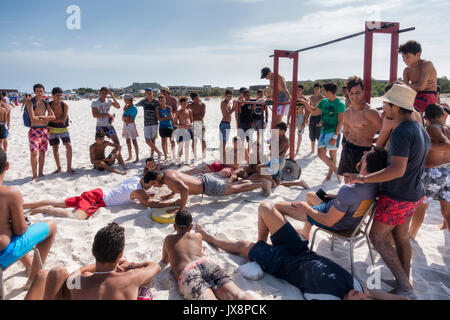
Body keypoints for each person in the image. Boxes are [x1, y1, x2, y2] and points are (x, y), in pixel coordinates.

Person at [195, 202, 408, 300]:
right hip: (298, 248)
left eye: (360, 301)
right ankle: (259, 249)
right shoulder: (359, 289)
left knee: (242, 246)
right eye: (365, 298)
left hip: (280, 262)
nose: (361, 295)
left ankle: (211, 238)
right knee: (266, 207)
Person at [344, 83, 430, 299]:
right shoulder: (419, 127)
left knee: (377, 237)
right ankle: (404, 278)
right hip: (414, 192)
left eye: (386, 104)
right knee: (401, 237)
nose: (383, 108)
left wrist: (363, 178)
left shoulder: (402, 131)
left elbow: (397, 170)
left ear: (395, 107)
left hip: (398, 195)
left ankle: (404, 286)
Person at [25, 223, 161, 300]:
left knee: (46, 273)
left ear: (93, 252)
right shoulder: (132, 278)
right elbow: (155, 266)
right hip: (122, 274)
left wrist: (94, 267)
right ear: (120, 254)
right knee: (145, 283)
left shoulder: (77, 282)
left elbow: (79, 271)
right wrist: (130, 265)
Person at [275, 147, 387, 240]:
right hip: (351, 222)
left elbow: (328, 221)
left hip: (334, 222)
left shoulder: (348, 190)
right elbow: (355, 200)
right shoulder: (377, 185)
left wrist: (307, 209)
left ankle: (285, 239)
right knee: (310, 195)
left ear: (366, 161)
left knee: (277, 206)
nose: (364, 153)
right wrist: (339, 198)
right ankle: (305, 233)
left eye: (366, 154)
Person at [161, 210, 255, 300]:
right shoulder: (198, 236)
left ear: (174, 226)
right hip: (206, 263)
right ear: (191, 227)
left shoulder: (168, 239)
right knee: (237, 294)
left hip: (188, 272)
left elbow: (165, 260)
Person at [0, 149, 57, 289]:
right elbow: (20, 230)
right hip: (3, 255)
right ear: (7, 166)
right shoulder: (10, 193)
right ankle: (33, 280)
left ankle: (29, 265)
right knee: (51, 227)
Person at [23, 175, 181, 220]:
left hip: (97, 192)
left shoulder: (135, 179)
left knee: (59, 202)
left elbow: (134, 193)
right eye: (154, 184)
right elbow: (150, 204)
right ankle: (48, 210)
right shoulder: (140, 192)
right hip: (97, 200)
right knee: (78, 217)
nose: (154, 186)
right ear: (150, 182)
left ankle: (23, 205)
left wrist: (148, 195)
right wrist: (173, 202)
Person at [144, 169, 272, 213]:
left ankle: (264, 184)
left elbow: (185, 189)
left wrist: (181, 209)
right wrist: (172, 193)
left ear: (158, 177)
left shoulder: (168, 178)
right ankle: (260, 183)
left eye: (153, 183)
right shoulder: (167, 174)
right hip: (204, 181)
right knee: (234, 186)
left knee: (235, 190)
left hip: (208, 186)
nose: (155, 186)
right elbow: (181, 182)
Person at [409, 104, 450, 239]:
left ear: (426, 118)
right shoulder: (447, 128)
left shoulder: (432, 127)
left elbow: (446, 145)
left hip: (433, 173)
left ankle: (412, 235)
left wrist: (422, 143)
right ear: (442, 115)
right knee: (447, 211)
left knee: (421, 207)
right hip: (447, 170)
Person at [338, 77, 382, 183]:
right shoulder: (347, 112)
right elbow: (347, 132)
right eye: (351, 93)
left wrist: (373, 141)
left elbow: (385, 132)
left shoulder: (371, 112)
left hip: (364, 151)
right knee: (347, 182)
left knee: (361, 184)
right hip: (348, 148)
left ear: (363, 92)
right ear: (348, 93)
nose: (354, 96)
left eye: (357, 92)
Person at [302, 83, 345, 182]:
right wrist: (305, 103)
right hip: (323, 131)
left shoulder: (339, 104)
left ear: (329, 91)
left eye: (325, 91)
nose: (323, 92)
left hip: (333, 132)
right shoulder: (324, 101)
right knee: (320, 154)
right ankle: (337, 171)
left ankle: (330, 175)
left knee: (332, 155)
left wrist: (335, 136)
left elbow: (340, 122)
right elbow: (313, 111)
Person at [25, 84, 56, 182]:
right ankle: (34, 175)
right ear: (34, 91)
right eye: (37, 91)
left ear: (43, 92)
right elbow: (32, 118)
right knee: (34, 152)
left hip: (45, 130)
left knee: (42, 152)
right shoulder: (30, 102)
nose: (39, 93)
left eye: (41, 91)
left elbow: (53, 117)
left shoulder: (45, 103)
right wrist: (45, 118)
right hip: (34, 130)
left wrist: (42, 118)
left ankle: (41, 172)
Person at [399, 40, 438, 114]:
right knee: (398, 108)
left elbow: (420, 87)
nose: (404, 60)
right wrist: (415, 86)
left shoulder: (426, 64)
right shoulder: (406, 70)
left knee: (410, 111)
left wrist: (407, 86)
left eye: (407, 57)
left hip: (428, 96)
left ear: (418, 54)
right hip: (413, 96)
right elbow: (405, 91)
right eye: (403, 57)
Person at [91, 87, 125, 166]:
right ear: (99, 93)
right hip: (100, 126)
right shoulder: (95, 103)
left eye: (106, 93)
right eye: (102, 93)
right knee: (99, 145)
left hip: (109, 126)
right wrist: (107, 114)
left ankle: (119, 160)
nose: (104, 95)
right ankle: (98, 162)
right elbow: (94, 115)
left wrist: (113, 97)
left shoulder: (109, 101)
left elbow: (118, 106)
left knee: (117, 144)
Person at [48, 87, 74, 174]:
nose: (59, 97)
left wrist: (51, 119)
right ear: (52, 95)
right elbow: (47, 117)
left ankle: (69, 167)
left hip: (63, 128)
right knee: (55, 148)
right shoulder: (49, 105)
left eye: (60, 96)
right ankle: (59, 168)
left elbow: (63, 119)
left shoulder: (65, 105)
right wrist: (51, 119)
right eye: (57, 96)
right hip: (51, 129)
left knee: (69, 146)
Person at [136, 88, 162, 159]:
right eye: (148, 93)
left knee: (153, 140)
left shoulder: (156, 102)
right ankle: (159, 152)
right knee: (147, 140)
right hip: (146, 123)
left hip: (154, 123)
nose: (149, 94)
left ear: (152, 93)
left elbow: (162, 106)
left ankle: (152, 156)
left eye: (150, 93)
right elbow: (135, 105)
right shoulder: (143, 102)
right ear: (146, 94)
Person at [287, 85, 307, 155]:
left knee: (299, 134)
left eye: (299, 90)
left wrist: (304, 122)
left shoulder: (304, 99)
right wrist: (287, 121)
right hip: (293, 116)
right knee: (291, 134)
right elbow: (289, 110)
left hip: (301, 116)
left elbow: (306, 111)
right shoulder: (293, 98)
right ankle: (290, 149)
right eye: (297, 90)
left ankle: (297, 149)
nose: (297, 91)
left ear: (302, 90)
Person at [235, 90, 254, 160]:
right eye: (247, 95)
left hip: (249, 123)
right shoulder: (241, 102)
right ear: (244, 96)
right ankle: (242, 154)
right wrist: (243, 98)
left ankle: (247, 154)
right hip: (242, 123)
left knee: (250, 141)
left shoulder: (250, 102)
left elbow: (259, 100)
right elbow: (241, 102)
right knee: (241, 140)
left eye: (249, 95)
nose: (248, 96)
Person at [307, 83, 325, 154]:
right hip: (312, 117)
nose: (316, 89)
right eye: (315, 88)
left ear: (320, 89)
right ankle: (312, 150)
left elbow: (325, 111)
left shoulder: (323, 98)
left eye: (317, 88)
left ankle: (320, 151)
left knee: (319, 136)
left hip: (319, 117)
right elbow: (309, 109)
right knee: (312, 135)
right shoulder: (311, 98)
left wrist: (321, 121)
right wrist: (306, 118)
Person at [175, 97, 194, 164]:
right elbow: (174, 123)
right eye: (182, 103)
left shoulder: (189, 111)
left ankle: (186, 162)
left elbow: (192, 121)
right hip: (181, 130)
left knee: (187, 146)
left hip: (188, 130)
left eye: (185, 103)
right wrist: (180, 126)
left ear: (187, 103)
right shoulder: (178, 112)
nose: (184, 105)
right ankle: (179, 161)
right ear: (180, 104)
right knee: (180, 146)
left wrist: (190, 124)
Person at [189, 92, 207, 161]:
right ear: (192, 99)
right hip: (194, 125)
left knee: (203, 140)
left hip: (201, 124)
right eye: (195, 98)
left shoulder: (203, 105)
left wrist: (193, 116)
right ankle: (195, 156)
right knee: (194, 141)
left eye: (198, 97)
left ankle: (204, 156)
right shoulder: (190, 105)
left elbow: (202, 116)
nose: (197, 99)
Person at [121, 94, 139, 163]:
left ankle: (137, 157)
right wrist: (125, 117)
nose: (124, 101)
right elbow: (123, 118)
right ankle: (130, 156)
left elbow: (130, 119)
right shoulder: (127, 107)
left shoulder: (134, 108)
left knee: (134, 141)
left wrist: (125, 118)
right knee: (128, 141)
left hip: (131, 125)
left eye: (125, 99)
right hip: (125, 125)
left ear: (129, 100)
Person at [156, 95, 174, 161]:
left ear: (165, 100)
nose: (162, 102)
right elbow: (159, 119)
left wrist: (174, 123)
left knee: (172, 142)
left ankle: (172, 154)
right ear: (159, 102)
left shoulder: (169, 108)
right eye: (161, 101)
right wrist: (167, 117)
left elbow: (171, 117)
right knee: (163, 142)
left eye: (163, 100)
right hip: (162, 127)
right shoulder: (157, 108)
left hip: (169, 126)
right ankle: (166, 156)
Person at [219, 90, 235, 163]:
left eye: (230, 96)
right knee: (223, 142)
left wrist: (233, 108)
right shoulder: (223, 103)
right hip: (224, 124)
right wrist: (233, 109)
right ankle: (222, 158)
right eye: (228, 96)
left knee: (225, 142)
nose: (229, 98)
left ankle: (223, 157)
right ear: (225, 96)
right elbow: (226, 114)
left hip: (228, 124)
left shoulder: (228, 103)